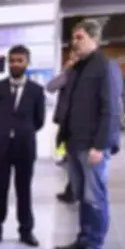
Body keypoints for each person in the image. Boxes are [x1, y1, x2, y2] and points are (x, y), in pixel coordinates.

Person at [53, 19, 123, 249]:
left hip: (92, 146)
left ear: (95, 38)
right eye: (73, 37)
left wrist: (100, 146)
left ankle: (95, 245)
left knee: (95, 197)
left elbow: (111, 110)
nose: (74, 42)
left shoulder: (105, 67)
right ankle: (83, 238)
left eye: (80, 37)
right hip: (74, 143)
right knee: (82, 196)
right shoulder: (77, 68)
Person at [0, 45, 45, 247]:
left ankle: (26, 231)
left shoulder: (36, 91)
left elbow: (39, 120)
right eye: (12, 60)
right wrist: (2, 131)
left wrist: (22, 130)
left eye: (20, 60)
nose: (15, 64)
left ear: (27, 63)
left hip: (24, 147)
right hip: (1, 147)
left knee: (24, 190)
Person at [47, 51, 80, 205]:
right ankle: (72, 189)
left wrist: (65, 71)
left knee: (72, 155)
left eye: (74, 58)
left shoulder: (71, 74)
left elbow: (50, 86)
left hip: (71, 122)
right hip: (69, 121)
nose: (71, 60)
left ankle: (73, 190)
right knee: (63, 147)